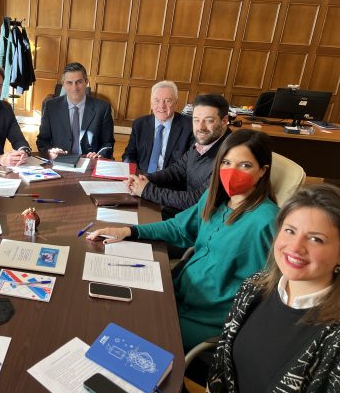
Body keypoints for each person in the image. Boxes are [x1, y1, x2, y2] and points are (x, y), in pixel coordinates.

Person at [88, 129, 279, 351]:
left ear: (263, 171)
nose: (231, 171)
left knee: (127, 335)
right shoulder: (215, 197)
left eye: (244, 165)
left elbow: (270, 289)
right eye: (226, 163)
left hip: (207, 316)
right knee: (110, 311)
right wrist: (130, 231)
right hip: (180, 291)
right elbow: (179, 228)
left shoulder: (267, 220)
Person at [208, 184, 340, 392]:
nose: (295, 247)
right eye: (290, 231)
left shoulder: (335, 339)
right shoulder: (252, 287)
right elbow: (220, 367)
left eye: (316, 239)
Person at [126, 93, 231, 218]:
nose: (200, 127)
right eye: (196, 120)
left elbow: (197, 200)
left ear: (224, 121)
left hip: (198, 221)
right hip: (184, 213)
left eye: (209, 121)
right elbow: (176, 170)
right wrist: (145, 179)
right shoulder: (205, 141)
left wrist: (147, 190)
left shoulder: (230, 157)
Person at [36, 62, 115, 159]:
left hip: (89, 161)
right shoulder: (51, 106)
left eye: (79, 82)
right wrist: (51, 151)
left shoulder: (102, 108)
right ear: (63, 84)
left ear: (86, 82)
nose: (74, 87)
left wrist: (99, 155)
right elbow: (42, 140)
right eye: (69, 82)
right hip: (60, 160)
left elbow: (108, 143)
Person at [122, 80, 193, 173]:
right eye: (157, 100)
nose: (162, 106)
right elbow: (129, 154)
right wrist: (134, 173)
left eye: (168, 101)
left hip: (170, 178)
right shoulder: (140, 124)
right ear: (151, 104)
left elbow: (189, 163)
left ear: (176, 104)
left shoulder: (189, 127)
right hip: (141, 176)